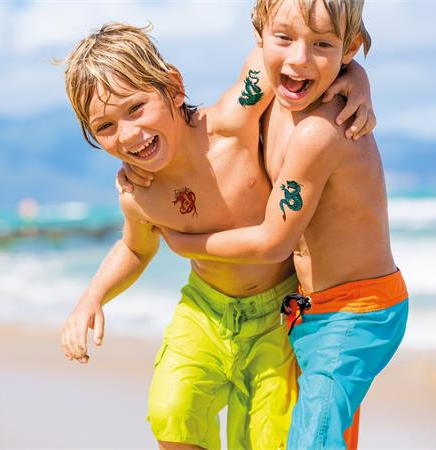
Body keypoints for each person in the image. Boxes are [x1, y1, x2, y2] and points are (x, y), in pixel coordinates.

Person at [60, 22, 373, 450]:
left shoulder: (233, 120)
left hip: (278, 314)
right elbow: (134, 248)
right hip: (204, 311)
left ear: (174, 87)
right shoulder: (139, 195)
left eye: (136, 108)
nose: (128, 134)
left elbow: (285, 60)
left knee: (266, 438)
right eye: (105, 127)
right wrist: (90, 299)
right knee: (172, 411)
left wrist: (357, 76)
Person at [155, 1, 409, 448]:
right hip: (307, 310)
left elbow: (274, 242)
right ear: (259, 33)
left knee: (313, 439)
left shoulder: (319, 132)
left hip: (358, 311)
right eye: (285, 38)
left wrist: (185, 243)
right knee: (322, 434)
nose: (299, 58)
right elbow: (214, 122)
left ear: (349, 48)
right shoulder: (268, 79)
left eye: (322, 45)